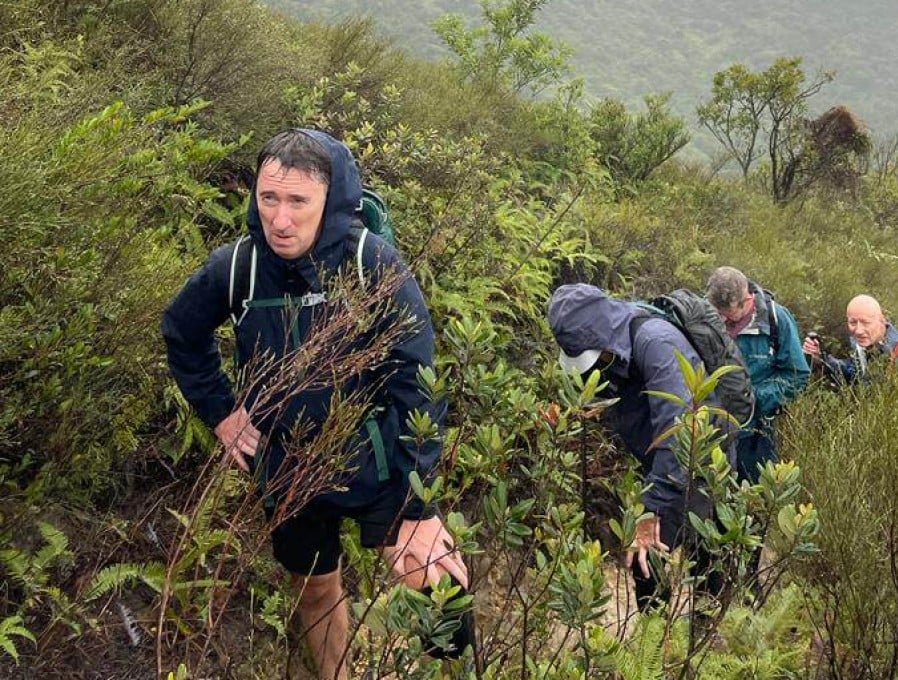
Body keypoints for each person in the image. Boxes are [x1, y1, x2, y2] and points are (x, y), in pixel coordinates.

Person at [162, 129, 472, 679]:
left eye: (297, 201)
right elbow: (182, 332)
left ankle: (453, 668)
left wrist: (419, 507)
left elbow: (416, 382)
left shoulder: (370, 264)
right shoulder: (238, 266)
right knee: (313, 590)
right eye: (268, 198)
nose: (280, 219)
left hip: (374, 459)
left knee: (433, 579)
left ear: (329, 201)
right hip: (286, 468)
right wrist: (222, 414)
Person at [547, 283, 728, 613]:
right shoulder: (615, 343)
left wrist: (652, 510)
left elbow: (682, 431)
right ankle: (654, 641)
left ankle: (703, 640)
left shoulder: (658, 343)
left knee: (685, 549)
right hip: (662, 462)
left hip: (700, 461)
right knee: (651, 555)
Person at [705, 267, 809, 483]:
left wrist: (752, 398)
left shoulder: (775, 320)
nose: (722, 319)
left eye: (728, 313)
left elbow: (797, 376)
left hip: (756, 434)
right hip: (710, 429)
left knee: (753, 496)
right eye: (718, 312)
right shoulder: (703, 315)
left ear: (747, 299)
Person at [802, 294, 898, 384]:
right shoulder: (863, 344)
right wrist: (821, 358)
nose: (858, 330)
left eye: (866, 322)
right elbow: (854, 371)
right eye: (852, 323)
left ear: (882, 320)